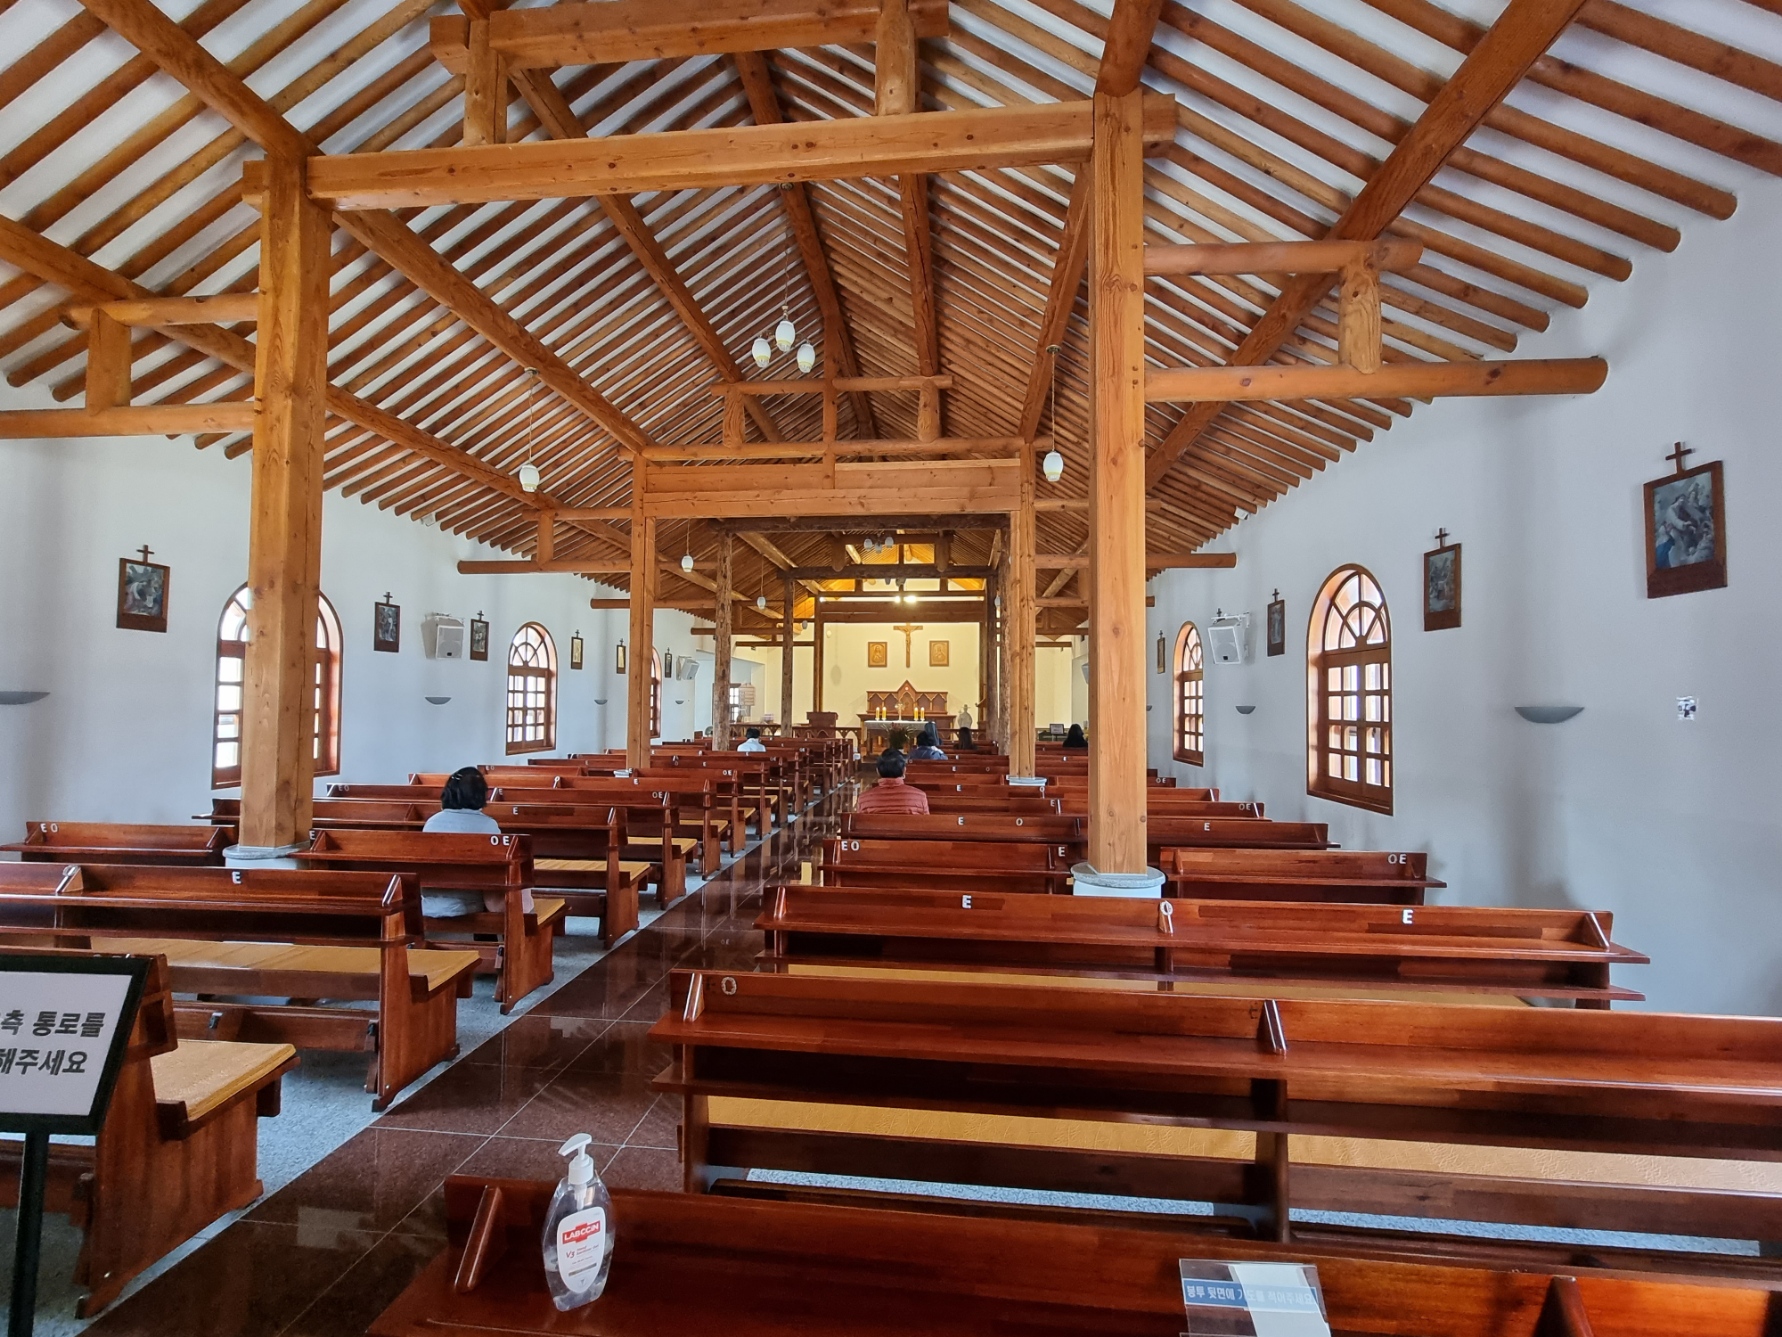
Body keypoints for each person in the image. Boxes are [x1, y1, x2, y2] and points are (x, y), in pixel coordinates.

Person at [421, 768, 528, 917]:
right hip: (468, 900)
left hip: (430, 899)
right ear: (481, 795)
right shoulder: (487, 825)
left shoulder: (432, 823)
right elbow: (497, 869)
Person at [855, 750, 930, 814]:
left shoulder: (864, 799)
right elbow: (927, 824)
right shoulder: (920, 797)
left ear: (878, 771)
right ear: (904, 770)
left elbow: (859, 824)